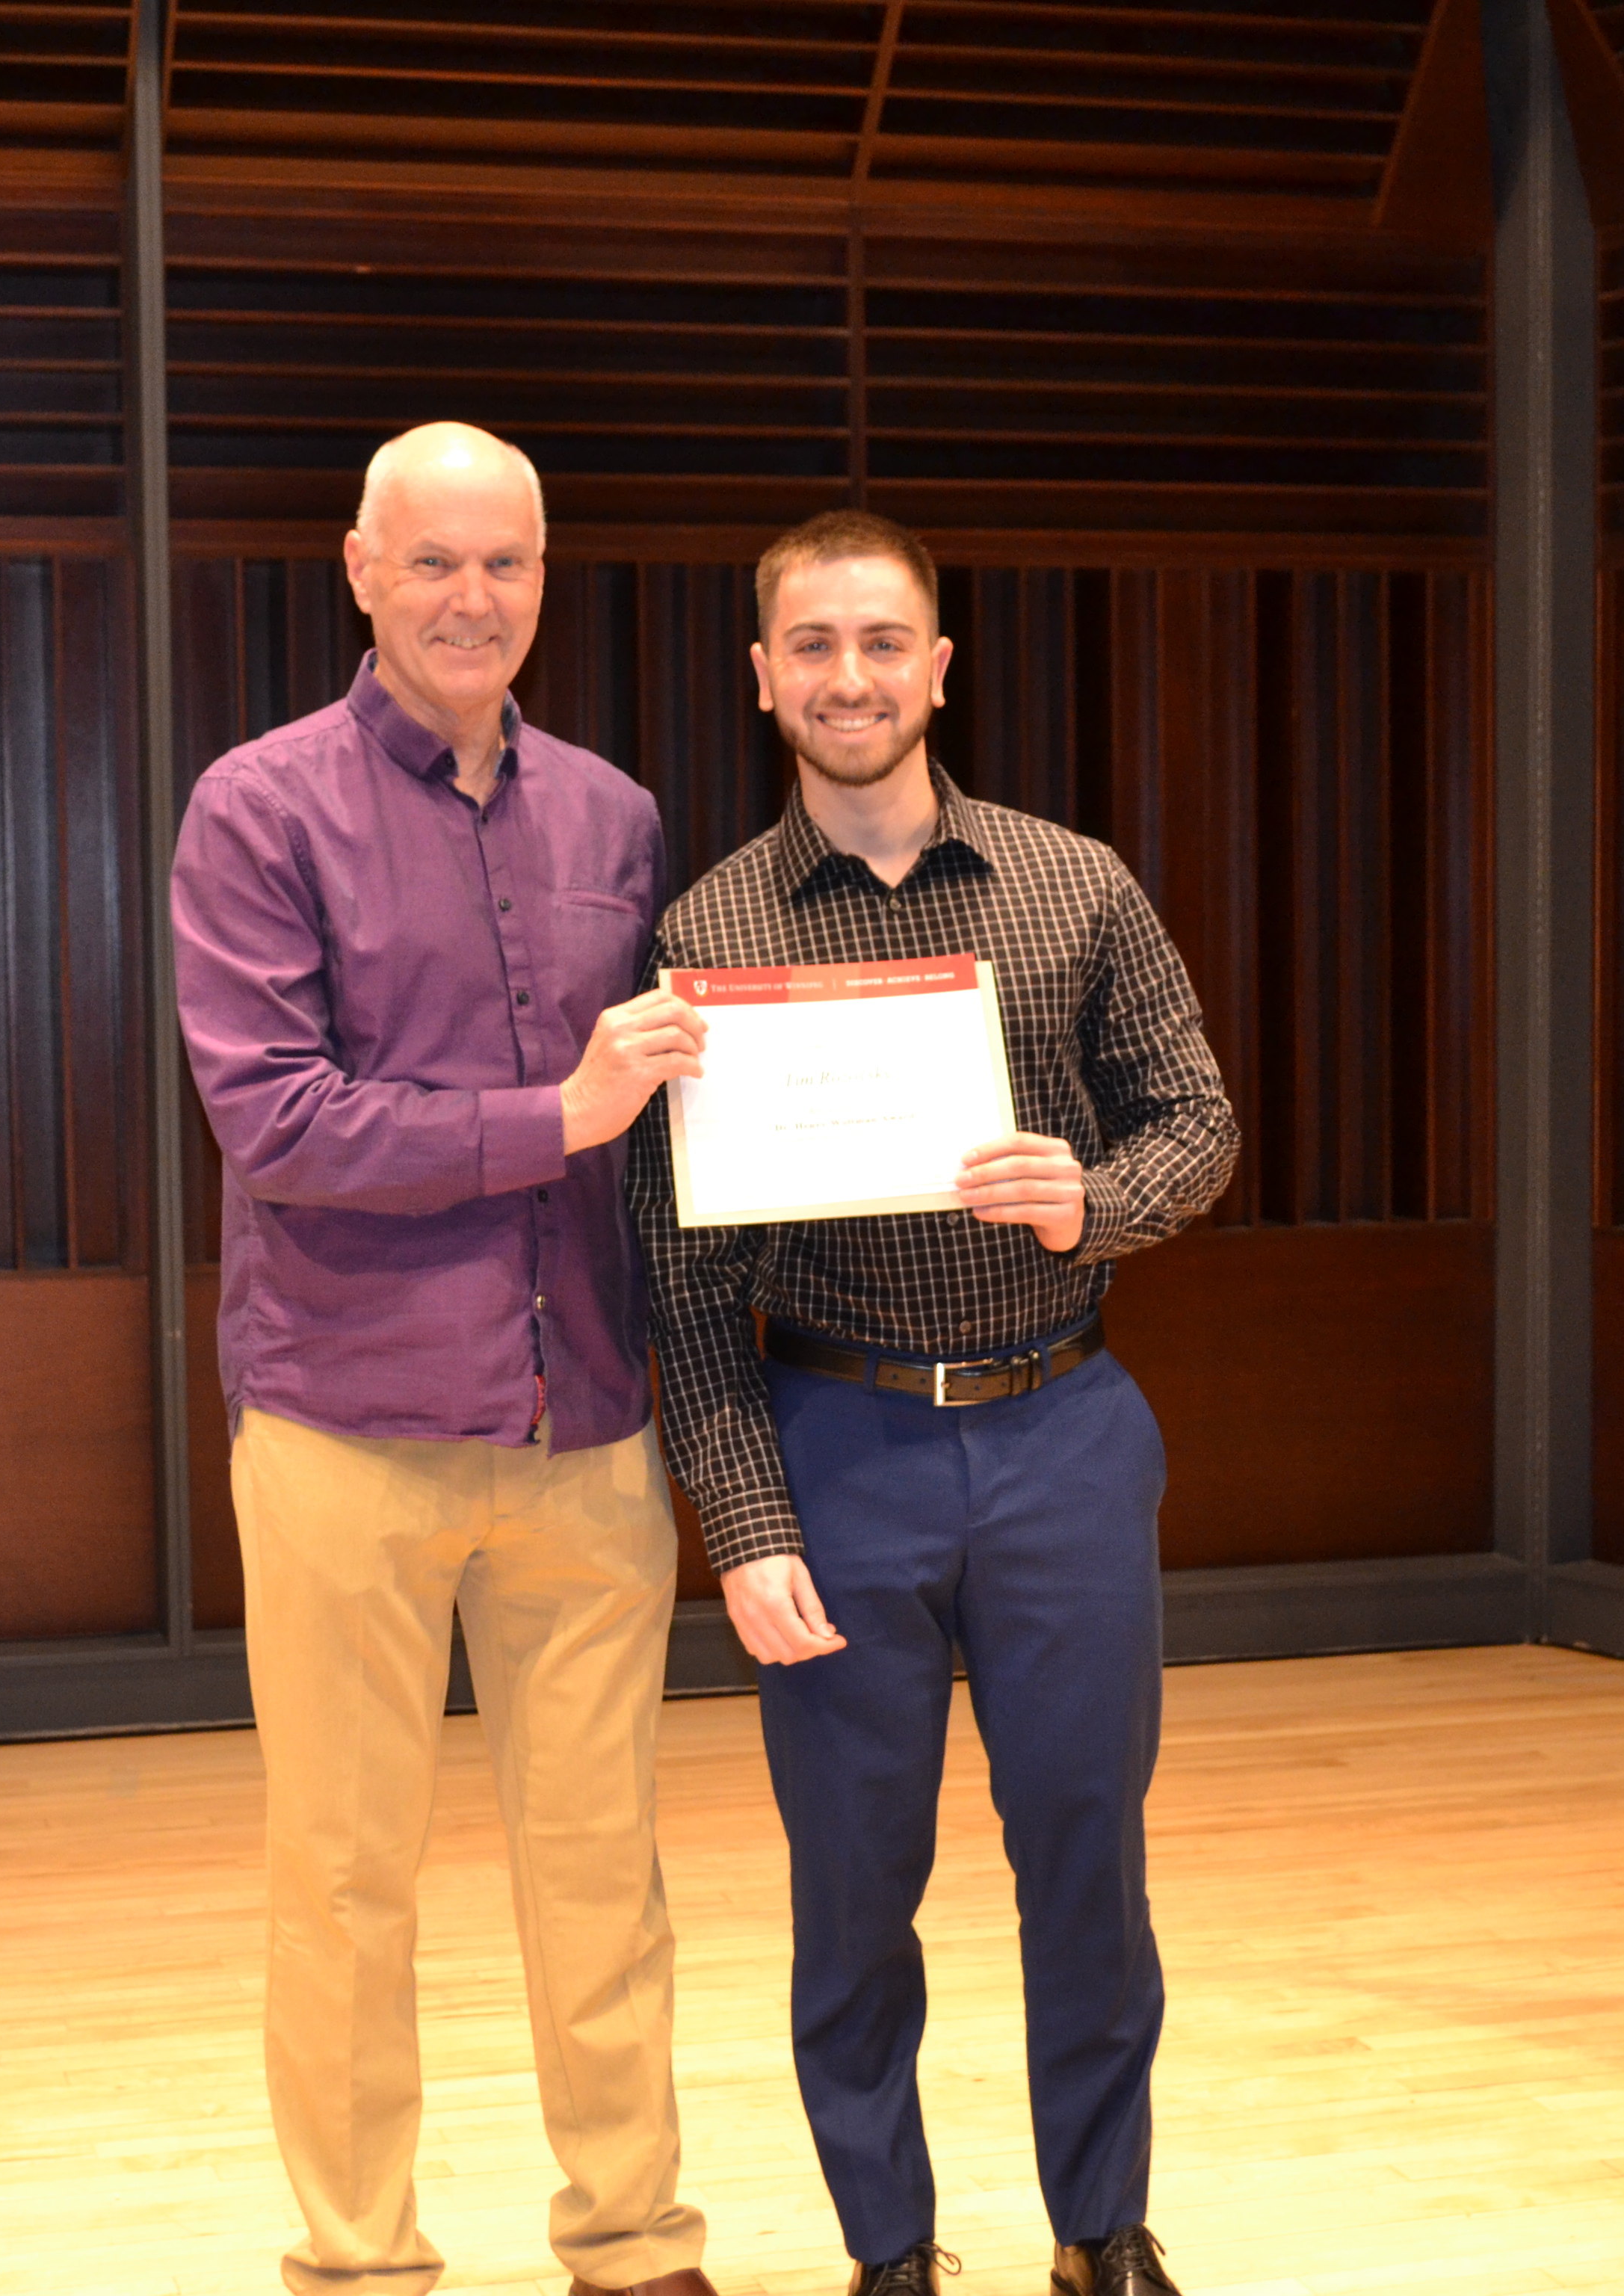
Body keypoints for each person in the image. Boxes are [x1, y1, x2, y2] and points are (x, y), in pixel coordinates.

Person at [631, 510, 1238, 2296]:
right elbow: (680, 1277)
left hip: (1062, 1433)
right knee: (850, 1888)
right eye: (811, 646)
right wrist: (741, 1528)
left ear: (939, 664)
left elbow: (1199, 1121)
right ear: (763, 678)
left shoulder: (1076, 884)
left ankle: (1099, 2226)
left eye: (882, 642)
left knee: (1086, 1861)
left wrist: (1095, 1197)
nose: (849, 678)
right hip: (836, 1456)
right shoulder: (709, 934)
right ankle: (888, 2247)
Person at [172, 421, 717, 2296]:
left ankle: (634, 2240)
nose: (473, 598)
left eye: (507, 564)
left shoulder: (616, 816)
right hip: (347, 1426)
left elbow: (652, 1117)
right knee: (341, 1883)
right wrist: (554, 1112)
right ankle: (358, 2259)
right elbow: (282, 1123)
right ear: (359, 569)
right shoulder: (257, 807)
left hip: (585, 1426)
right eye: (435, 563)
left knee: (605, 1869)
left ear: (546, 579)